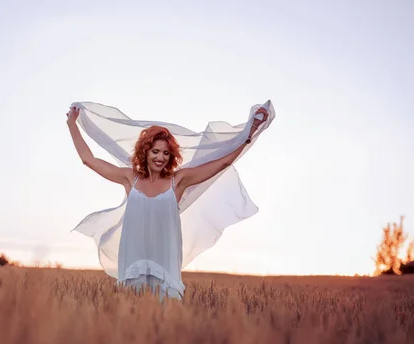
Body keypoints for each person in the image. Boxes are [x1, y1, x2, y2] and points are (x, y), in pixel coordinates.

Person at [66, 101, 274, 301]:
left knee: (164, 317)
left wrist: (249, 133)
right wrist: (72, 124)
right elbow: (88, 160)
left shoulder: (179, 181)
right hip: (133, 261)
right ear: (145, 152)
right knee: (132, 316)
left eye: (166, 153)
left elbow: (223, 162)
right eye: (155, 151)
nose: (160, 157)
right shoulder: (131, 178)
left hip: (164, 263)